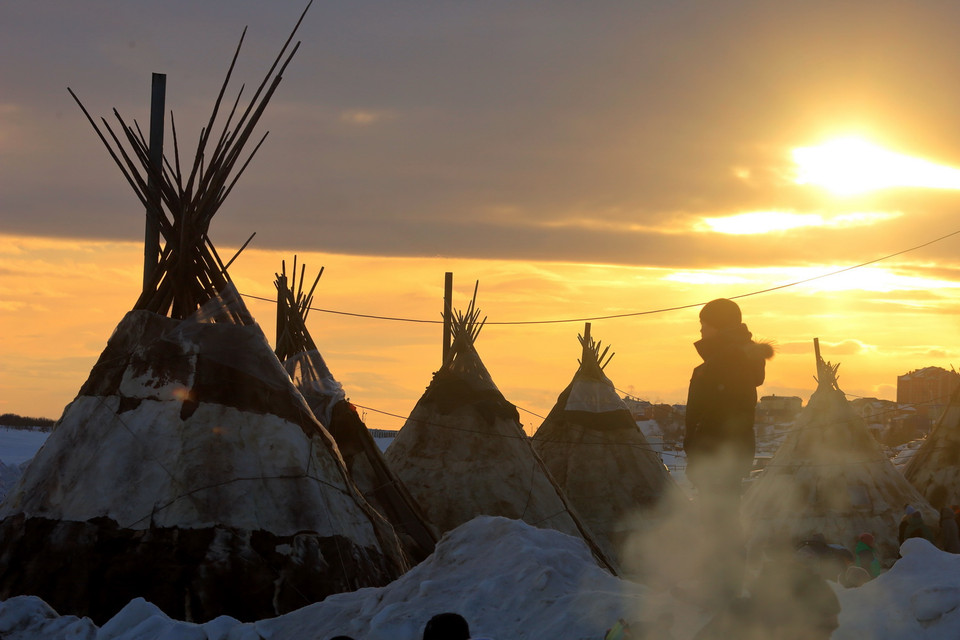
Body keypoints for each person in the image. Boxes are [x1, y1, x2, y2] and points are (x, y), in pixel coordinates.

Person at [683, 298, 774, 599]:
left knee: (718, 521)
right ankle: (720, 585)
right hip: (724, 453)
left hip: (718, 454)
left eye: (704, 325)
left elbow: (716, 416)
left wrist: (700, 453)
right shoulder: (729, 361)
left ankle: (721, 589)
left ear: (719, 327)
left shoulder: (726, 364)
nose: (701, 331)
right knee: (719, 519)